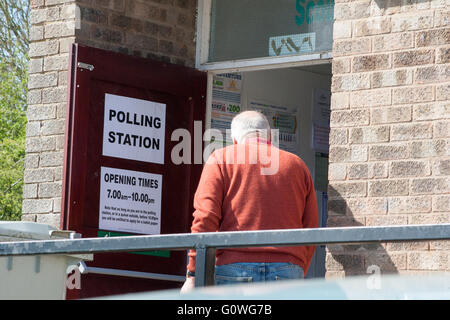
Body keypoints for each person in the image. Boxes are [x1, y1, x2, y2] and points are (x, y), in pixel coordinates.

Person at [181, 111, 318, 292]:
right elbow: (311, 227)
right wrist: (297, 267)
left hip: (234, 269)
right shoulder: (297, 165)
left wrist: (193, 273)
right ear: (269, 136)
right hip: (288, 270)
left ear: (235, 140)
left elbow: (205, 218)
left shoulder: (221, 159)